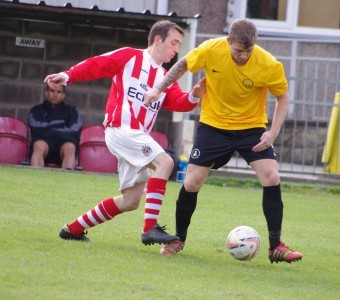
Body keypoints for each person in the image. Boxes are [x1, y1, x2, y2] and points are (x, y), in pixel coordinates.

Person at [144, 18, 303, 263]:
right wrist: (158, 89)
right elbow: (183, 65)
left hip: (251, 127)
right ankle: (178, 239)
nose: (242, 56)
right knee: (192, 182)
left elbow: (283, 98)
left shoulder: (269, 64)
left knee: (271, 176)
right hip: (213, 126)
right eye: (238, 51)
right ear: (228, 41)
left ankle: (276, 247)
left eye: (247, 51)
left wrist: (272, 133)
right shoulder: (211, 49)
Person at [44, 20, 206, 245]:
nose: (177, 50)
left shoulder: (165, 77)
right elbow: (97, 64)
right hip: (122, 129)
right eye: (174, 43)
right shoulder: (131, 56)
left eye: (179, 45)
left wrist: (195, 95)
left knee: (130, 201)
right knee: (165, 163)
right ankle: (150, 229)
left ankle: (72, 229)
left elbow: (178, 102)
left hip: (136, 136)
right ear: (157, 40)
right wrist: (69, 75)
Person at [28, 84, 83, 170]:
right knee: (39, 145)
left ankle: (67, 181)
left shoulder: (72, 111)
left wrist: (49, 129)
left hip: (63, 144)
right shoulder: (36, 110)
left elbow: (75, 130)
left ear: (63, 96)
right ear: (46, 93)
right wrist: (62, 127)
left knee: (70, 147)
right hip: (44, 143)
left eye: (59, 92)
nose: (55, 94)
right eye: (52, 91)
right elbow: (35, 128)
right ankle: (35, 179)